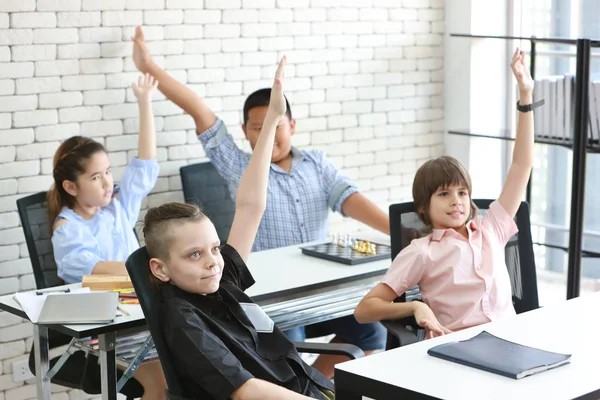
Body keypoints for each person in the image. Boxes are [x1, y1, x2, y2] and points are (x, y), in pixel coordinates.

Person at [131, 25, 386, 377]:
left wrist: (401, 231)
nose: (267, 131)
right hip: (272, 294)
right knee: (280, 344)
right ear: (246, 130)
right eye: (257, 126)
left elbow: (350, 199)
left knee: (372, 329)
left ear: (291, 125)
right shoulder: (239, 165)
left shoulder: (317, 164)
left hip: (319, 283)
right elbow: (199, 110)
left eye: (275, 123)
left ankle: (316, 383)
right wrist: (149, 67)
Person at [143, 57, 334, 400]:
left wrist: (274, 117)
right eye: (195, 254)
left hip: (309, 387)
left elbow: (251, 207)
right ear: (160, 269)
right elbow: (244, 390)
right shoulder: (183, 319)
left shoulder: (220, 279)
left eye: (215, 248)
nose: (213, 261)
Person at [354, 48, 537, 339]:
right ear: (424, 208)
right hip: (458, 347)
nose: (456, 201)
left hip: (511, 338)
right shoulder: (421, 251)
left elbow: (522, 163)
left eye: (463, 193)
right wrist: (414, 306)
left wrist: (525, 97)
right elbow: (365, 309)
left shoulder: (492, 229)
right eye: (443, 194)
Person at [31, 74, 167, 399]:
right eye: (96, 176)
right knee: (162, 385)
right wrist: (157, 269)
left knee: (193, 368)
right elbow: (96, 270)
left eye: (108, 171)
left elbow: (145, 165)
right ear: (71, 187)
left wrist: (145, 101)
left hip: (141, 317)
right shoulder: (67, 229)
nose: (108, 182)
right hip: (102, 329)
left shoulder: (116, 207)